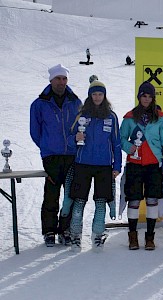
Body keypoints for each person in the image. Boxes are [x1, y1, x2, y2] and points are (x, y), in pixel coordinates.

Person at [30, 64, 82, 247]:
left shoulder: (75, 102)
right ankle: (49, 230)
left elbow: (81, 127)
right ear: (51, 80)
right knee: (51, 193)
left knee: (70, 195)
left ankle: (65, 230)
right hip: (51, 157)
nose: (61, 82)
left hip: (72, 155)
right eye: (58, 78)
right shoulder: (39, 104)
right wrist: (47, 146)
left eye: (64, 79)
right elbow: (35, 132)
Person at [67, 80, 122, 251]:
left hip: (104, 166)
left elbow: (116, 143)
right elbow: (69, 140)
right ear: (90, 96)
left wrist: (117, 165)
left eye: (100, 94)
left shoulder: (111, 116)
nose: (97, 97)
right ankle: (75, 235)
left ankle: (97, 235)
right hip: (82, 164)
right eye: (94, 94)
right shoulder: (82, 115)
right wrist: (75, 139)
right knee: (79, 202)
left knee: (100, 202)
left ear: (104, 96)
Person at [120, 81, 163, 250]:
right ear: (139, 97)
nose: (147, 99)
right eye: (144, 96)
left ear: (153, 98)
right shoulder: (129, 117)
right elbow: (120, 139)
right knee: (133, 199)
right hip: (134, 163)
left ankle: (150, 237)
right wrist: (129, 147)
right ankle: (132, 236)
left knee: (152, 199)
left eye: (150, 96)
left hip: (153, 164)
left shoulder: (160, 117)